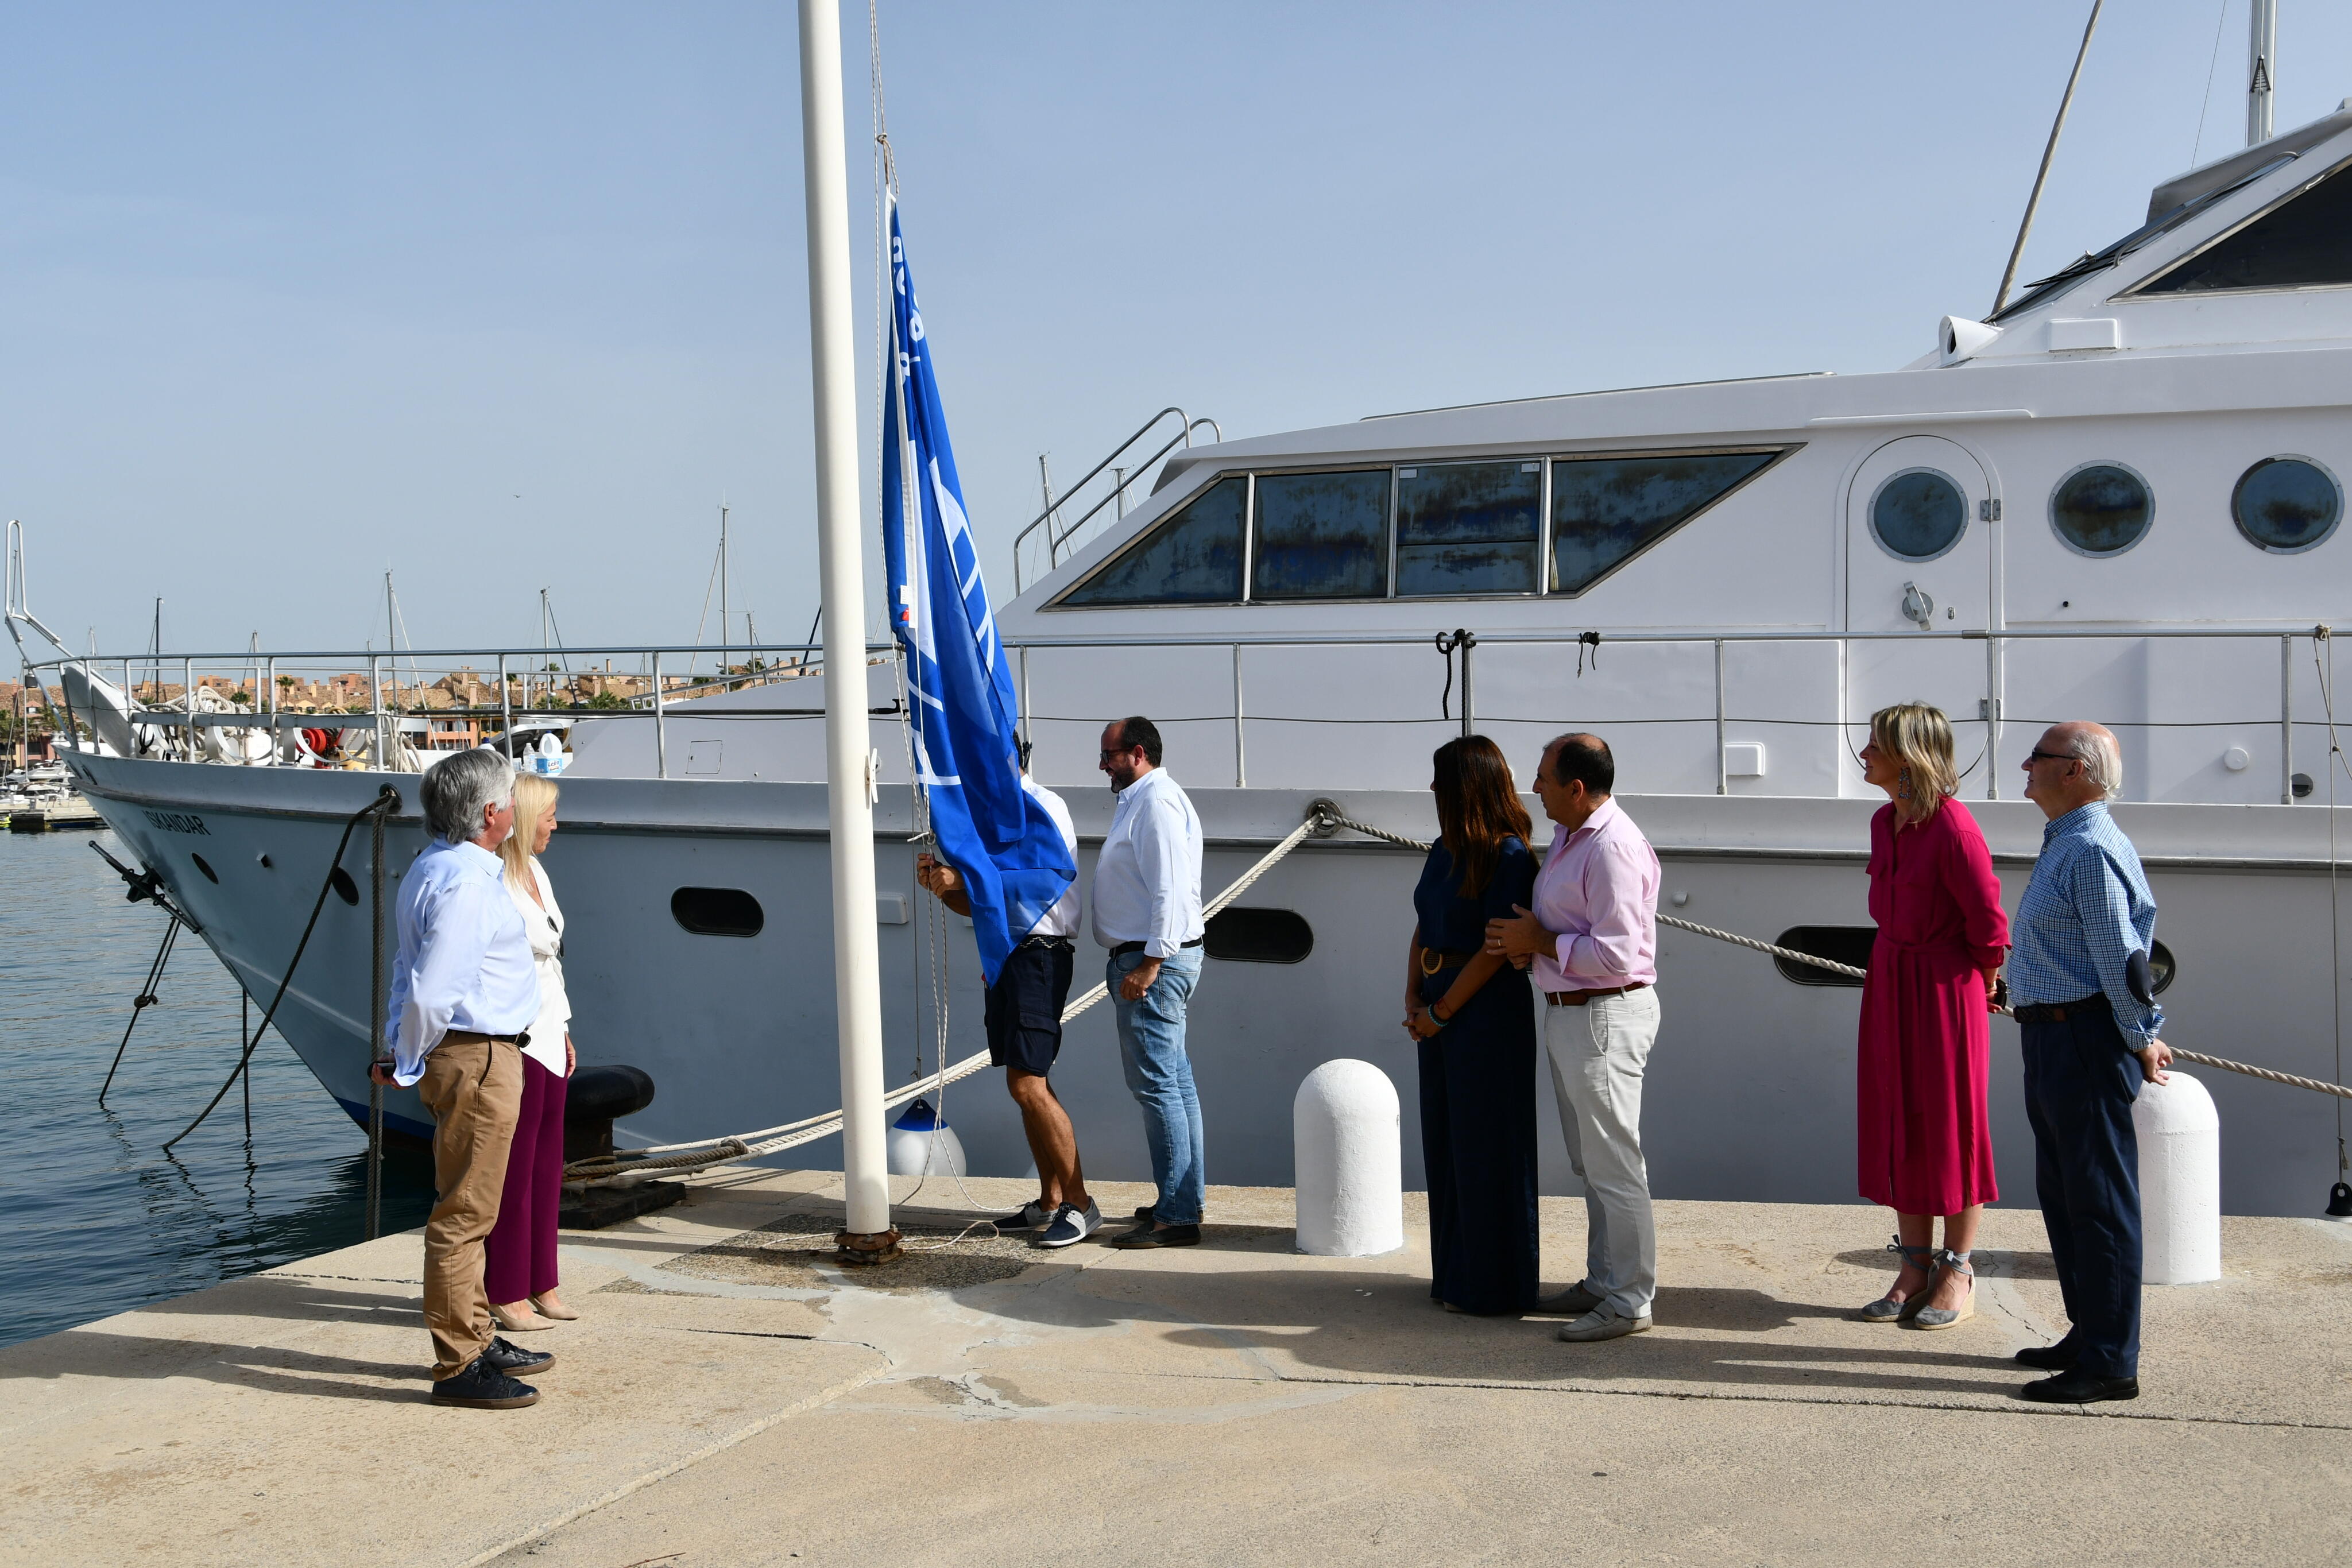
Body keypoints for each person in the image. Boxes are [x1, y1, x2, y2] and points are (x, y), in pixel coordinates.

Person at [374, 746, 553, 1410]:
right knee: (465, 1212)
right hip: (477, 1056)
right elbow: (432, 989)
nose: (515, 807)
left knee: (473, 1201)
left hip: (473, 1053)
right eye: (509, 798)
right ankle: (459, 1363)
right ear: (490, 812)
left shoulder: (433, 868)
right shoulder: (470, 884)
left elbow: (408, 973)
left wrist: (405, 1050)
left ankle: (476, 1333)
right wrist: (412, 1054)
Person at [2008, 721, 2171, 1405]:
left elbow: (2118, 955)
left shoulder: (2089, 849)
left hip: (2082, 1039)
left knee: (2098, 1202)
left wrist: (2141, 1033)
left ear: (2073, 771)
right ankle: (2089, 1331)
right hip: (2052, 1035)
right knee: (2067, 1194)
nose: (2024, 764)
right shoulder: (2067, 842)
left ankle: (2109, 1361)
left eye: (2037, 757)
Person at [1486, 733, 1661, 1344]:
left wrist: (1537, 944)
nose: (1533, 788)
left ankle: (1630, 1298)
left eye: (1542, 778)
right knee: (1592, 1161)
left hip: (1604, 1013)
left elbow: (1616, 955)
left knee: (1615, 1164)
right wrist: (1533, 949)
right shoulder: (1570, 834)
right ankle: (1604, 1280)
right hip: (1574, 1013)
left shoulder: (1612, 847)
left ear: (1576, 789)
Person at [1852, 704, 2009, 1331]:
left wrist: (1987, 982)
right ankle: (1913, 1265)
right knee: (1898, 1117)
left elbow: (1988, 924)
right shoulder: (1882, 821)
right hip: (1892, 978)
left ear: (1907, 756)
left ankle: (1958, 1268)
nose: (1864, 753)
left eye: (1875, 745)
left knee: (1952, 1124)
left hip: (1946, 988)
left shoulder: (1954, 829)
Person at [915, 746, 1096, 1247]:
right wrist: (944, 885)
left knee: (1027, 1085)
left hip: (1039, 954)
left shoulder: (1042, 805)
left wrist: (965, 878)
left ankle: (1081, 1204)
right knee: (1028, 1082)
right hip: (1012, 957)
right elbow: (985, 904)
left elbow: (1042, 882)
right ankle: (1051, 1201)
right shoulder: (999, 817)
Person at [1403, 736, 1541, 1315]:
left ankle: (1493, 1285)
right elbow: (1423, 924)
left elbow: (1492, 951)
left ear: (1466, 783)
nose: (1432, 788)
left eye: (1441, 778)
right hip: (1438, 998)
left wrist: (1441, 1011)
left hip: (1482, 1011)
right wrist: (1413, 991)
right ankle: (1454, 1274)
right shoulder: (1444, 847)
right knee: (1446, 1140)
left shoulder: (1508, 856)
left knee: (1488, 1145)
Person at [1092, 715, 1208, 1248]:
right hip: (1153, 956)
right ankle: (1179, 1198)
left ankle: (1178, 1215)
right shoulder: (1147, 799)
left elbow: (1170, 890)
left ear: (1138, 753)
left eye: (1109, 755)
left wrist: (1150, 964)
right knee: (1175, 1084)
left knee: (1158, 1088)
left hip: (1152, 961)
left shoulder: (1155, 803)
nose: (1102, 765)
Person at [485, 772, 578, 1331]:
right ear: (525, 819)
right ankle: (505, 1290)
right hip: (513, 1029)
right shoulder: (495, 878)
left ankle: (543, 1280)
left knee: (548, 1162)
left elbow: (553, 958)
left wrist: (564, 1026)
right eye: (548, 815)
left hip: (548, 1024)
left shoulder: (536, 871)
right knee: (514, 1168)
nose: (555, 824)